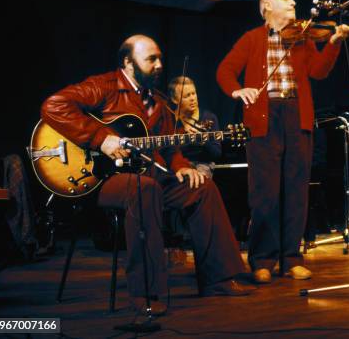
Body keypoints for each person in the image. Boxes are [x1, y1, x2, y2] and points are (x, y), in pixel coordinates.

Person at [41, 35, 250, 316]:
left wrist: (181, 166)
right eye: (151, 59)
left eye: (160, 58)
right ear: (128, 62)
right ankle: (146, 293)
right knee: (145, 189)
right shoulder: (104, 86)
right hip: (97, 179)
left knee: (202, 188)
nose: (159, 64)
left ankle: (218, 279)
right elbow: (53, 106)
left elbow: (168, 144)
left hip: (146, 176)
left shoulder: (157, 101)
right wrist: (100, 138)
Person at [216, 0, 349, 283]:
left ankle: (291, 257)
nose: (293, 1)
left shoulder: (302, 37)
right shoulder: (252, 38)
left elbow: (318, 71)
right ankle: (262, 259)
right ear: (266, 5)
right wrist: (238, 91)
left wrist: (334, 42)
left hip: (296, 115)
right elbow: (225, 71)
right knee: (264, 193)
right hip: (264, 118)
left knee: (296, 190)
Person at [168, 76, 222, 179]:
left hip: (201, 164)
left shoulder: (209, 118)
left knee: (198, 181)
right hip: (177, 163)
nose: (193, 98)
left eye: (194, 93)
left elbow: (217, 153)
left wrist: (203, 141)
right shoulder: (169, 118)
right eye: (187, 96)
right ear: (175, 100)